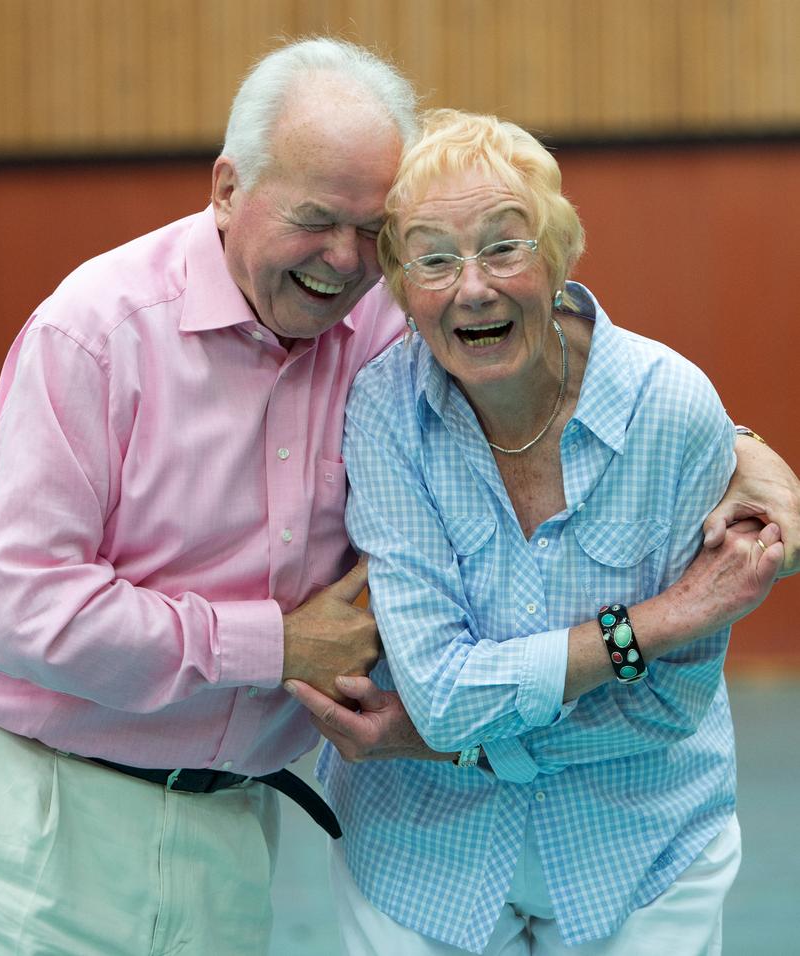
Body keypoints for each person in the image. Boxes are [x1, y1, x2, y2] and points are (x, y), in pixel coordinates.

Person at [0, 36, 799, 955]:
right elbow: (28, 610)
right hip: (37, 802)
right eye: (313, 219)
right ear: (225, 188)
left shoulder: (386, 314)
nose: (341, 259)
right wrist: (279, 643)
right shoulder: (93, 336)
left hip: (229, 818)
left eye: (371, 231)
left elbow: (547, 341)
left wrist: (741, 449)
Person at [296, 109, 792, 955]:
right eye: (434, 258)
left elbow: (670, 709)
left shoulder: (670, 411)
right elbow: (441, 697)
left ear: (558, 256)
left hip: (640, 837)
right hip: (422, 842)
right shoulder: (382, 412)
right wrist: (662, 620)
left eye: (503, 246)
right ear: (399, 285)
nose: (473, 287)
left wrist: (449, 739)